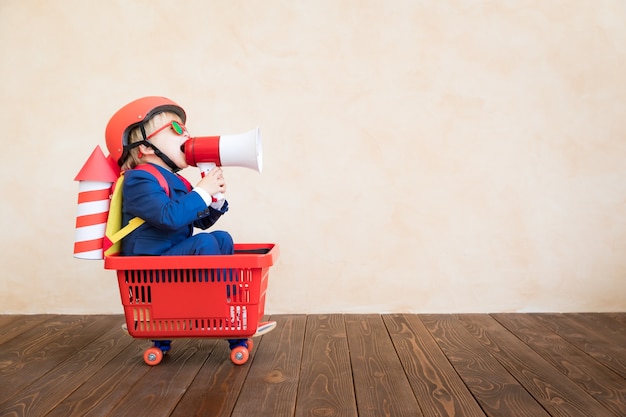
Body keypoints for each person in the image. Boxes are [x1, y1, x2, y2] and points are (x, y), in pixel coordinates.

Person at [105, 96, 233, 256]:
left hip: (171, 257)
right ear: (146, 147)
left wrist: (214, 201)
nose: (186, 135)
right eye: (176, 129)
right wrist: (202, 192)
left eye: (185, 129)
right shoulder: (138, 179)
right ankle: (213, 282)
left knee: (222, 238)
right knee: (203, 242)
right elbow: (169, 217)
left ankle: (223, 282)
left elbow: (200, 221)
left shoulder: (179, 182)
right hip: (149, 264)